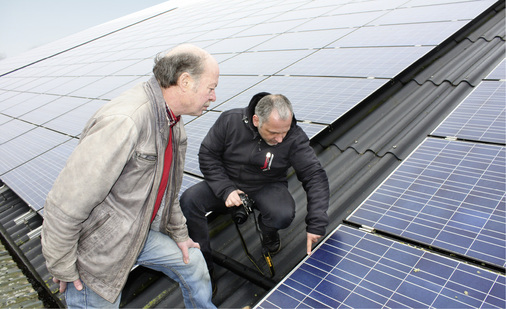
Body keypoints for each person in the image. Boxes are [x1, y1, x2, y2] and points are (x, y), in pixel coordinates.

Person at [41, 44, 219, 308]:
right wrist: (62, 265)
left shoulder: (172, 122)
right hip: (99, 251)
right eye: (211, 87)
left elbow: (168, 193)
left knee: (192, 261)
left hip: (137, 232)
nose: (213, 96)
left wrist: (180, 235)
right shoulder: (127, 121)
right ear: (185, 81)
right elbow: (65, 203)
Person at [180, 92, 329, 293]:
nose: (280, 139)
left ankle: (269, 233)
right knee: (190, 200)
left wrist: (317, 222)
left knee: (282, 214)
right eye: (273, 133)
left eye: (284, 132)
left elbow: (314, 176)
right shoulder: (230, 121)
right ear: (256, 120)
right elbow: (208, 155)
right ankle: (204, 268)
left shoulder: (294, 137)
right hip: (227, 182)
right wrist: (226, 189)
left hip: (266, 185)